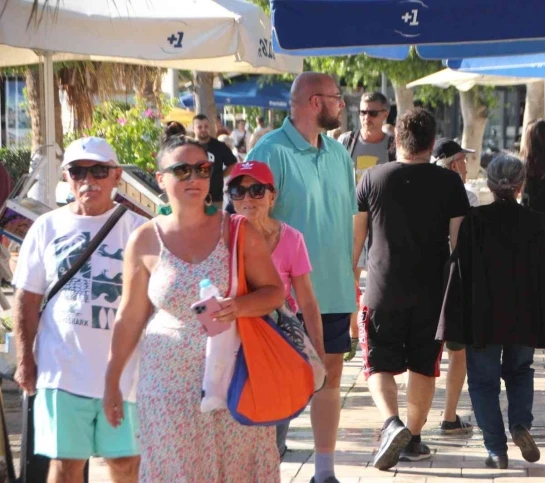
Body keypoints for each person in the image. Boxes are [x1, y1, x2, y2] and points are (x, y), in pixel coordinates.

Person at [103, 135, 284, 482]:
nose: (194, 179)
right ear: (161, 179)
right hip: (166, 386)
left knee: (236, 468)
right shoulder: (144, 239)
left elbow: (275, 292)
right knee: (176, 471)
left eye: (202, 169)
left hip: (234, 377)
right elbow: (130, 317)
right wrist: (112, 381)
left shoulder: (236, 230)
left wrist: (240, 306)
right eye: (182, 170)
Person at [13, 137, 146, 483]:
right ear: (66, 177)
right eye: (78, 171)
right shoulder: (47, 227)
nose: (89, 179)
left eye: (99, 170)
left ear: (116, 176)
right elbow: (27, 299)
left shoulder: (138, 230)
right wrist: (25, 360)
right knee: (67, 465)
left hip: (126, 373)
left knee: (125, 463)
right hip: (63, 369)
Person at [245, 72, 357, 483]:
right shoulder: (269, 152)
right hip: (281, 299)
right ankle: (265, 470)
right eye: (337, 98)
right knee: (278, 388)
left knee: (329, 380)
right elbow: (245, 224)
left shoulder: (339, 154)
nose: (342, 105)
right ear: (314, 102)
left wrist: (351, 286)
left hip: (334, 291)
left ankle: (324, 473)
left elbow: (345, 225)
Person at [353, 109, 469, 470]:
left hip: (382, 291)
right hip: (432, 295)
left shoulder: (371, 179)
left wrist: (348, 291)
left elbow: (354, 244)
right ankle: (413, 439)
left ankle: (392, 424)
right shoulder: (450, 184)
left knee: (377, 366)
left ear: (396, 141)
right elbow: (459, 246)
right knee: (423, 368)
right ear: (432, 143)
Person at [439, 153, 545, 470]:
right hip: (524, 320)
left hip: (482, 320)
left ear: (490, 184)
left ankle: (496, 451)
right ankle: (520, 424)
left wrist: (452, 322)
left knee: (483, 384)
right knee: (520, 372)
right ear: (520, 185)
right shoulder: (536, 224)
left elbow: (458, 269)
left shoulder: (474, 221)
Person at [225, 160, 325, 457]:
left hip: (275, 341)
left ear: (272, 195)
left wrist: (317, 355)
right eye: (238, 191)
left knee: (273, 434)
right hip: (231, 338)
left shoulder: (291, 238)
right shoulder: (221, 235)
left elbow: (307, 300)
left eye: (256, 190)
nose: (247, 199)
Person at [338, 92, 395, 363]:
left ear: (385, 114)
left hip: (384, 225)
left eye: (372, 113)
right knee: (348, 278)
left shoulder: (393, 146)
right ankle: (353, 334)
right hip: (350, 223)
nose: (366, 118)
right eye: (362, 112)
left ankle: (375, 333)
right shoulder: (346, 143)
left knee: (379, 282)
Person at [430, 137, 479, 436]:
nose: (467, 165)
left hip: (424, 279)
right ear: (454, 163)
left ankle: (414, 419)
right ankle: (449, 415)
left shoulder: (424, 193)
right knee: (456, 352)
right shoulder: (467, 197)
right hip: (455, 283)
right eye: (463, 159)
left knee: (424, 352)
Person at [192, 114, 238, 210]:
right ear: (194, 129)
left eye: (206, 126)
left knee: (215, 224)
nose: (203, 129)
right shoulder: (189, 147)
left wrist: (221, 175)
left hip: (215, 197)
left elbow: (233, 163)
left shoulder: (219, 146)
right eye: (200, 127)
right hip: (193, 196)